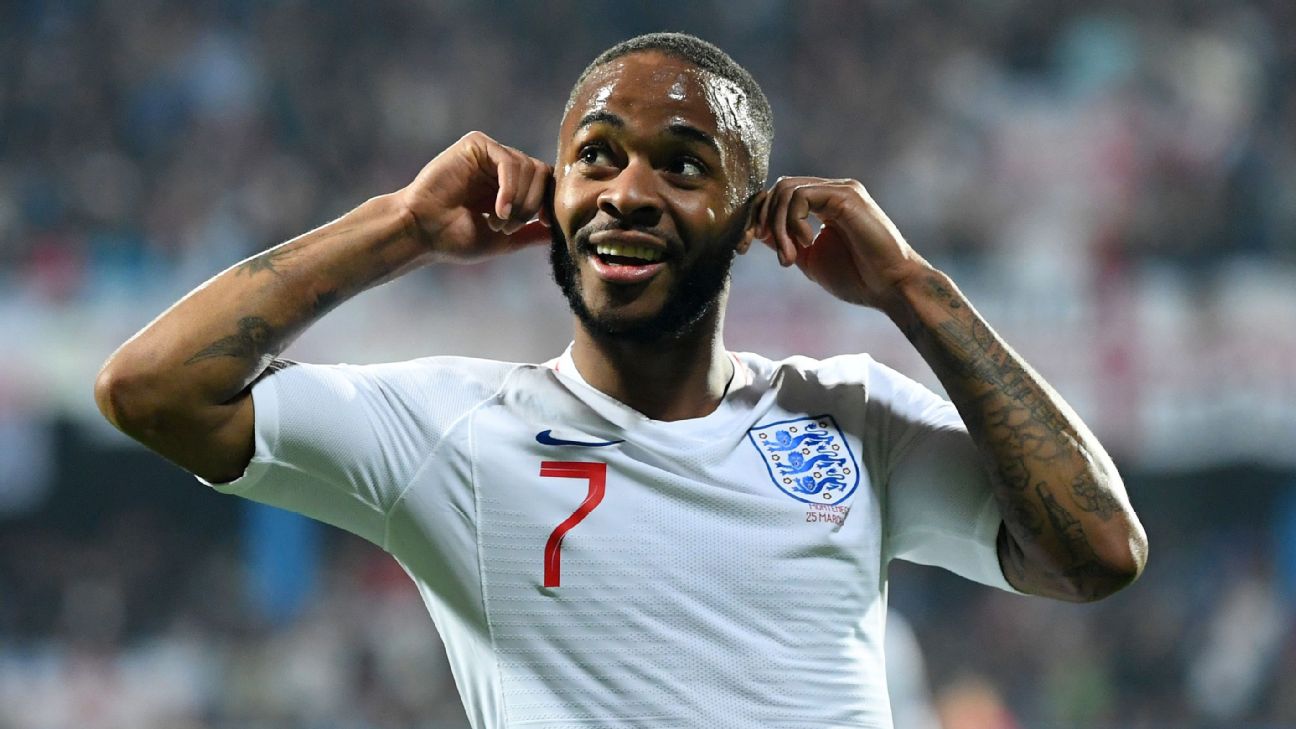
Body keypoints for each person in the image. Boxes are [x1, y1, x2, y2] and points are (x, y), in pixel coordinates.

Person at [95, 32, 1147, 729]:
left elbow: (1099, 554)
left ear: (751, 218)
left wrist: (916, 291)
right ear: (554, 198)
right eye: (596, 157)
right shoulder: (453, 432)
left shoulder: (849, 417)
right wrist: (402, 227)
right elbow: (152, 390)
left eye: (684, 165)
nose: (628, 192)